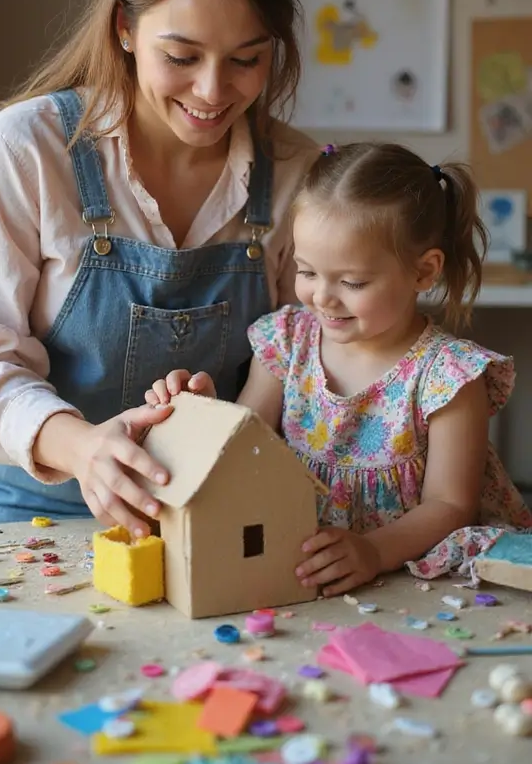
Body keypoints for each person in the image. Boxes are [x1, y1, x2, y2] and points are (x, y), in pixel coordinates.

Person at [0, 0, 318, 532]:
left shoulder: (298, 175)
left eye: (247, 60)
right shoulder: (28, 150)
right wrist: (85, 448)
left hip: (204, 521)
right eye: (181, 57)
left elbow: (306, 361)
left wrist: (223, 415)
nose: (213, 93)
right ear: (125, 27)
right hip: (26, 515)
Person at [148, 142, 532, 592]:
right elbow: (244, 444)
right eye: (308, 271)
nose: (323, 298)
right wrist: (201, 414)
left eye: (352, 282)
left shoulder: (448, 376)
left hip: (414, 573)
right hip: (303, 562)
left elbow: (450, 505)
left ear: (424, 272)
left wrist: (373, 550)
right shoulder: (287, 342)